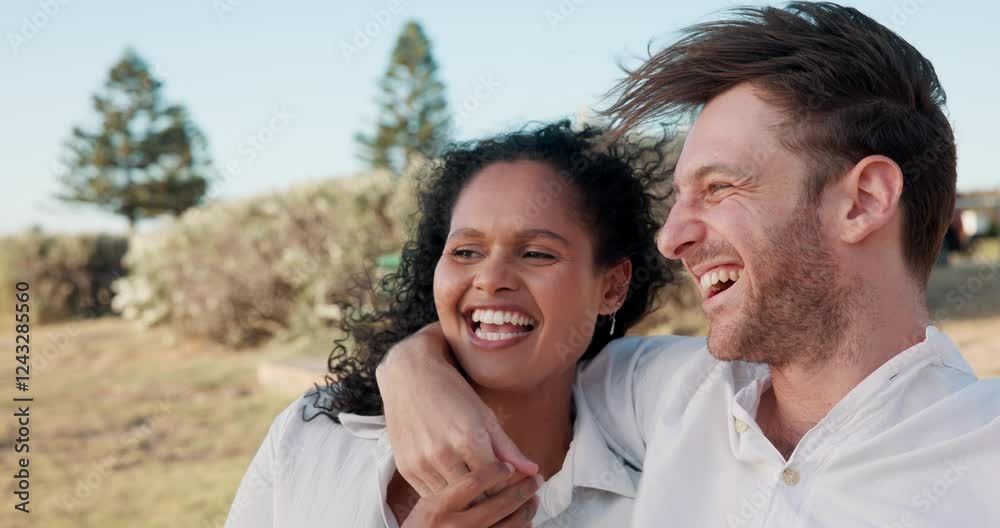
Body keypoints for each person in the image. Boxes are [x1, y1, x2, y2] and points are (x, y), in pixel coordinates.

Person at [375, 3, 1000, 526]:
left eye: (721, 187)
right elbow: (511, 325)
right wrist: (409, 369)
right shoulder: (666, 391)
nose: (671, 237)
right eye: (679, 197)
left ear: (862, 202)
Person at [223, 121, 675, 527]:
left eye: (538, 253)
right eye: (465, 252)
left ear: (612, 287)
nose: (491, 279)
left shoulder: (657, 497)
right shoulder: (313, 433)